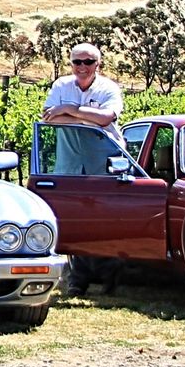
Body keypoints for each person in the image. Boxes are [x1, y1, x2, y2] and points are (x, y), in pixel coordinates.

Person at [42, 42, 127, 293]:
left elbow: (106, 118)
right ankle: (77, 280)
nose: (82, 67)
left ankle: (110, 278)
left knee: (104, 221)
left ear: (97, 64)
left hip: (103, 163)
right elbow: (48, 117)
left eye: (88, 62)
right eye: (77, 62)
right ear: (71, 64)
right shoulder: (61, 85)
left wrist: (70, 110)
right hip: (69, 164)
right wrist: (87, 117)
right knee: (74, 221)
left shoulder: (108, 88)